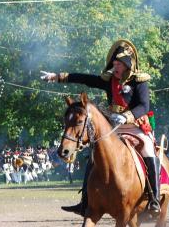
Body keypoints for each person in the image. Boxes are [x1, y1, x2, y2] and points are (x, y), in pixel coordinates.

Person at [41, 39, 159, 216]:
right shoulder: (108, 80)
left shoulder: (139, 81)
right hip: (114, 127)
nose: (115, 66)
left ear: (128, 65)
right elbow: (85, 79)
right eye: (115, 63)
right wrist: (57, 77)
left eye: (119, 63)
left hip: (135, 125)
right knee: (95, 155)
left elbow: (144, 106)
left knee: (149, 150)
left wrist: (126, 116)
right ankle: (85, 202)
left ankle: (154, 198)